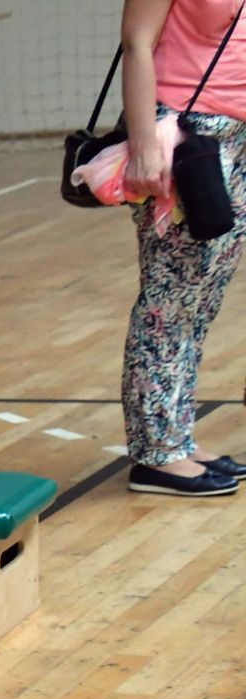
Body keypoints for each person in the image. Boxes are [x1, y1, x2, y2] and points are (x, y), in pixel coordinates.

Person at [118, 0, 246, 496]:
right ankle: (155, 454)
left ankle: (178, 439)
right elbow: (136, 43)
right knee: (168, 303)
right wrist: (143, 145)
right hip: (183, 136)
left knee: (199, 303)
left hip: (234, 137)